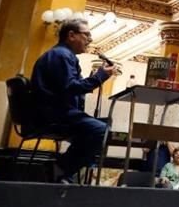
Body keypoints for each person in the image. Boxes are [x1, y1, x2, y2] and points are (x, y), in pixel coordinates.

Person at [29, 18, 116, 183]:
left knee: (99, 127)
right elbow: (71, 87)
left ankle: (64, 172)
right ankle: (60, 169)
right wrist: (99, 77)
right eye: (86, 35)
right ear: (71, 35)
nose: (90, 39)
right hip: (55, 115)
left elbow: (73, 86)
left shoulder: (61, 55)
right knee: (101, 130)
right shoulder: (62, 55)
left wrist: (95, 78)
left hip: (53, 112)